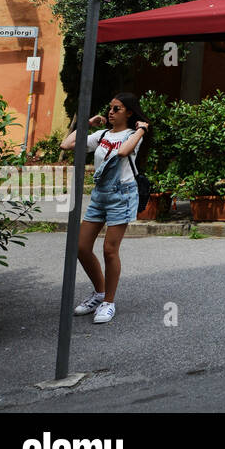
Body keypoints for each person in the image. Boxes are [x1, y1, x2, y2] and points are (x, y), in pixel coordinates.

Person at [60, 93, 149, 324]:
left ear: (129, 112)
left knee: (110, 250)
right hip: (100, 195)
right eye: (110, 108)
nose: (111, 112)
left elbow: (123, 152)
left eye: (117, 109)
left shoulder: (132, 135)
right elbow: (67, 144)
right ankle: (99, 293)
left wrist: (142, 129)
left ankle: (109, 302)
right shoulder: (101, 135)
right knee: (81, 247)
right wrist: (88, 123)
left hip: (121, 195)